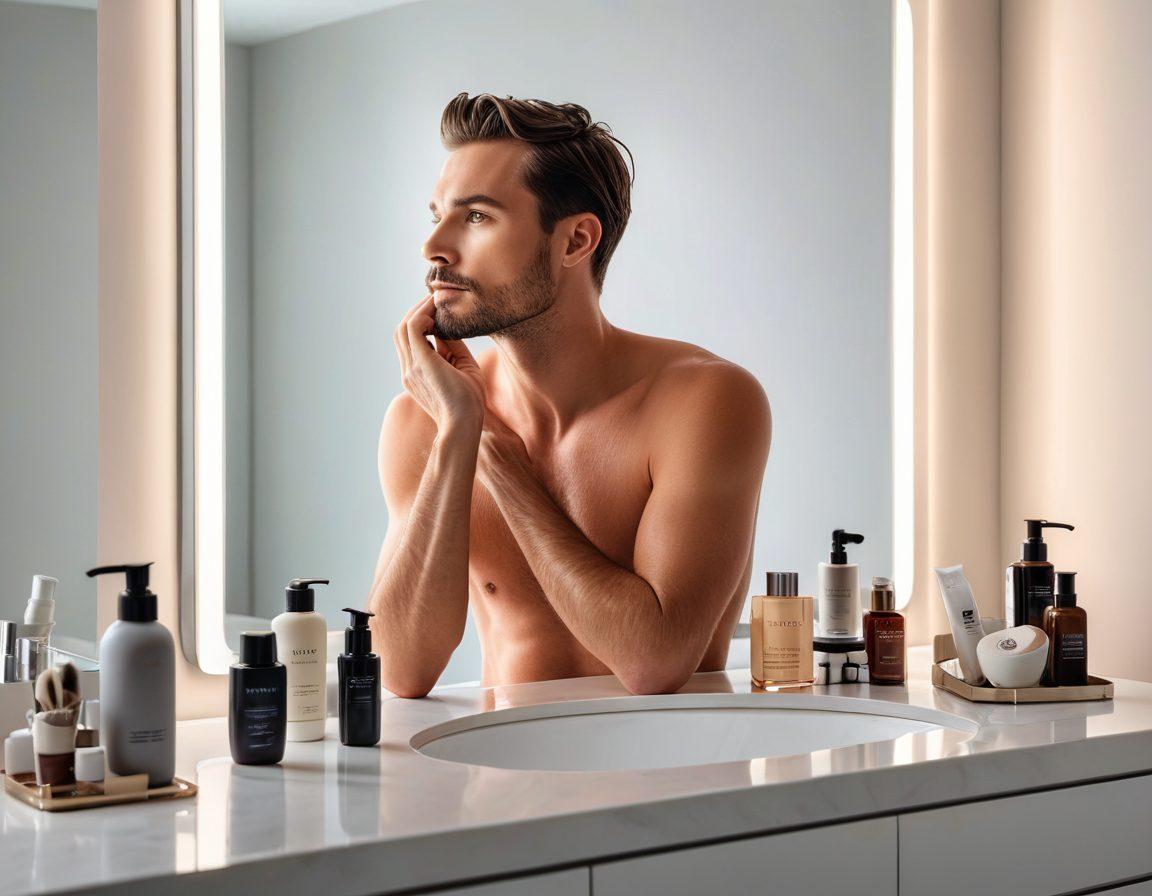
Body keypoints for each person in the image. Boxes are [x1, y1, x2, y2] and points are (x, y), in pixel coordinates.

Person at [368, 93, 771, 697]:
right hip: (507, 778)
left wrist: (495, 456)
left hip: (672, 779)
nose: (435, 247)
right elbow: (401, 670)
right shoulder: (423, 421)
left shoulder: (702, 401)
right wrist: (458, 433)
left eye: (477, 216)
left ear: (576, 241)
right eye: (437, 216)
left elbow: (653, 661)